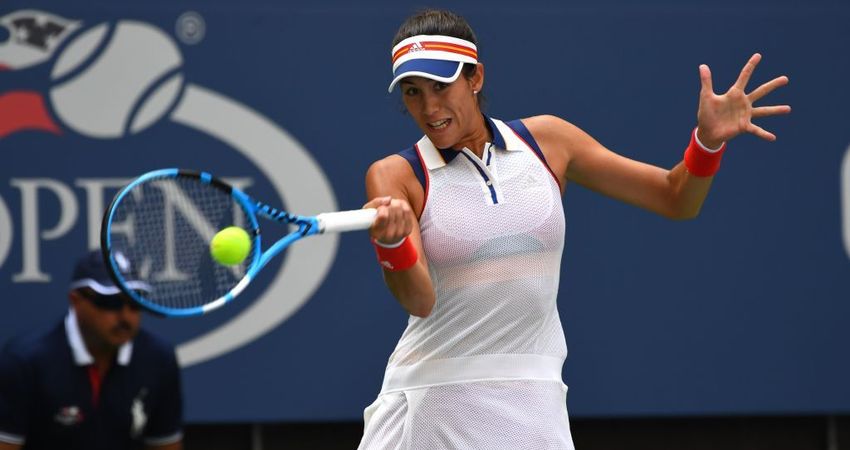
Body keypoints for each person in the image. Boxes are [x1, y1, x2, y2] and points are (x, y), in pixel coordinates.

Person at [359, 8, 790, 450]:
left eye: (441, 86)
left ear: (476, 78)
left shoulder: (548, 141)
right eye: (413, 92)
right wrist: (392, 243)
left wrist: (707, 141)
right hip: (432, 408)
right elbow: (419, 300)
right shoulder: (396, 175)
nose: (429, 108)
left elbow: (675, 198)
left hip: (535, 407)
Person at [0, 250, 183, 450]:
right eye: (111, 302)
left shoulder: (158, 359)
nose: (125, 316)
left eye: (135, 301)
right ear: (76, 300)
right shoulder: (23, 361)